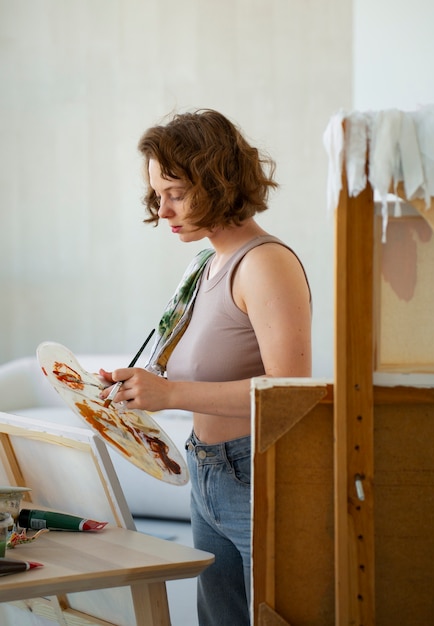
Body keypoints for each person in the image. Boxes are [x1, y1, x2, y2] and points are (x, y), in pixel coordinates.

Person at [100, 109, 312, 625]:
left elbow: (291, 394)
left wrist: (170, 396)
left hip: (256, 474)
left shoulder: (264, 263)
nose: (163, 210)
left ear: (217, 180)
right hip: (208, 470)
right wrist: (139, 388)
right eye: (157, 195)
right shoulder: (206, 263)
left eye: (175, 192)